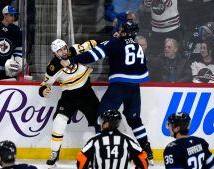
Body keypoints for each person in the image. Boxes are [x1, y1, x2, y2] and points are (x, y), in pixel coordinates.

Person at [61, 22, 154, 165]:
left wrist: (72, 59)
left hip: (118, 87)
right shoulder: (137, 46)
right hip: (134, 88)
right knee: (134, 119)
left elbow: (93, 55)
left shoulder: (115, 43)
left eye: (122, 30)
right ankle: (147, 151)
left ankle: (99, 149)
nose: (119, 31)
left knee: (101, 117)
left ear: (124, 32)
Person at [39, 39, 100, 167]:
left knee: (98, 122)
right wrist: (43, 90)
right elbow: (45, 84)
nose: (64, 51)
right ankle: (54, 153)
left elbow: (89, 44)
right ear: (55, 53)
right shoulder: (53, 67)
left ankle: (97, 152)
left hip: (87, 94)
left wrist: (102, 42)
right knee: (59, 122)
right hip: (68, 98)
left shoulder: (74, 50)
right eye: (60, 50)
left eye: (64, 48)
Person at [76, 109, 148, 169]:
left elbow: (81, 159)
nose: (101, 123)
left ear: (107, 123)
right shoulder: (128, 140)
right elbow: (143, 159)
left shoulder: (94, 140)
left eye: (103, 121)